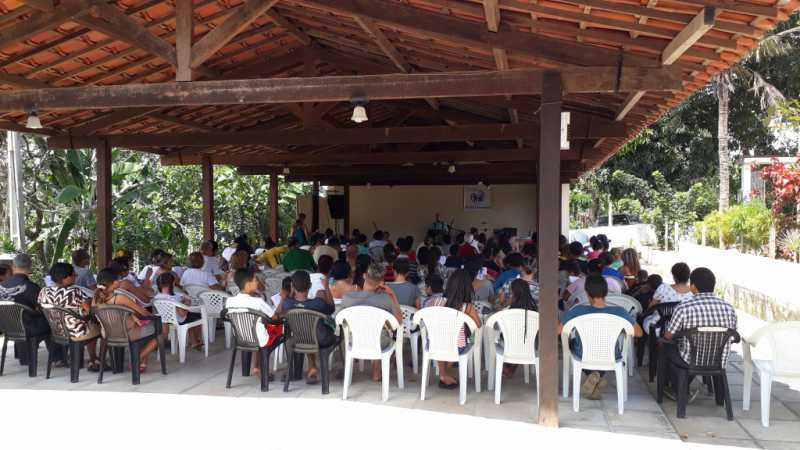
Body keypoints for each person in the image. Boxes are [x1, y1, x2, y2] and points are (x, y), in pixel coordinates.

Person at [558, 275, 642, 399]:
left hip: (583, 353)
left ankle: (593, 375)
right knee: (605, 349)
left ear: (587, 293)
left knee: (573, 343)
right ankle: (597, 377)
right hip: (611, 354)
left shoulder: (577, 310)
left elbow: (558, 331)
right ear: (606, 292)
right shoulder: (620, 312)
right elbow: (639, 333)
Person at [662, 267, 737, 400]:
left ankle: (678, 389)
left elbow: (669, 335)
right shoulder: (729, 308)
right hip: (719, 360)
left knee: (666, 346)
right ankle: (718, 398)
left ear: (693, 287)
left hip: (690, 360)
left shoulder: (684, 307)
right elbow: (732, 337)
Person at [341, 262, 403, 381]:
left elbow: (340, 321)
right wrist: (393, 295)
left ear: (364, 275)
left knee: (371, 331)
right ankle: (376, 372)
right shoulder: (385, 299)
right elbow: (399, 321)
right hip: (379, 343)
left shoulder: (348, 298)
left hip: (355, 340)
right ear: (381, 282)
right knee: (379, 333)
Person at [93, 269, 161, 372]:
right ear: (114, 283)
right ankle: (137, 359)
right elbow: (143, 312)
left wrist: (131, 315)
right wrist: (153, 316)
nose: (120, 281)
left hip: (107, 334)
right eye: (119, 280)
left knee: (142, 326)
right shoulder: (120, 298)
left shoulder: (95, 299)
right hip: (127, 334)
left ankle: (139, 360)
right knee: (160, 332)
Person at [424, 269, 481, 389]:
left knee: (439, 340)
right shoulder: (467, 307)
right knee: (466, 340)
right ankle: (445, 373)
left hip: (434, 344)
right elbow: (478, 325)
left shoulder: (435, 301)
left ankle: (443, 374)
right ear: (467, 288)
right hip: (456, 348)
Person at [39, 262, 102, 369]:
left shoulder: (43, 291)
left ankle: (92, 360)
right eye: (73, 274)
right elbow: (89, 311)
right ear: (66, 277)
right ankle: (94, 359)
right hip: (76, 332)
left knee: (89, 324)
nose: (76, 276)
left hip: (56, 331)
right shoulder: (75, 291)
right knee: (101, 328)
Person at [278, 270, 335, 384]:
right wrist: (326, 287)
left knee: (306, 333)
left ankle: (311, 366)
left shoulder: (287, 303)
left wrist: (290, 293)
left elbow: (279, 312)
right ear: (310, 285)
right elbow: (331, 308)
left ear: (292, 286)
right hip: (321, 339)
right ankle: (313, 367)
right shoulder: (318, 303)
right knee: (317, 333)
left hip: (299, 338)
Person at [226, 268, 281, 376]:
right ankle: (261, 367)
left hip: (240, 338)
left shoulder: (229, 301)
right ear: (248, 284)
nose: (257, 282)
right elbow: (275, 318)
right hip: (259, 339)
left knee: (258, 329)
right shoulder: (258, 302)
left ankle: (256, 367)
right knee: (279, 330)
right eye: (255, 280)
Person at [0, 254, 53, 365]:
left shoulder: (1, 286)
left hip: (6, 327)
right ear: (29, 267)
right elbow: (43, 308)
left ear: (13, 266)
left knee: (21, 319)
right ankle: (57, 358)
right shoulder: (31, 286)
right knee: (52, 322)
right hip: (29, 328)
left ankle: (23, 357)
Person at [153, 272, 203, 351]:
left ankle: (194, 341)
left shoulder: (157, 297)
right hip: (179, 320)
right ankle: (196, 340)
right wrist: (186, 303)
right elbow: (182, 314)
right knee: (199, 316)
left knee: (191, 316)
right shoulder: (173, 299)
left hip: (166, 320)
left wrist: (181, 301)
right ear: (172, 283)